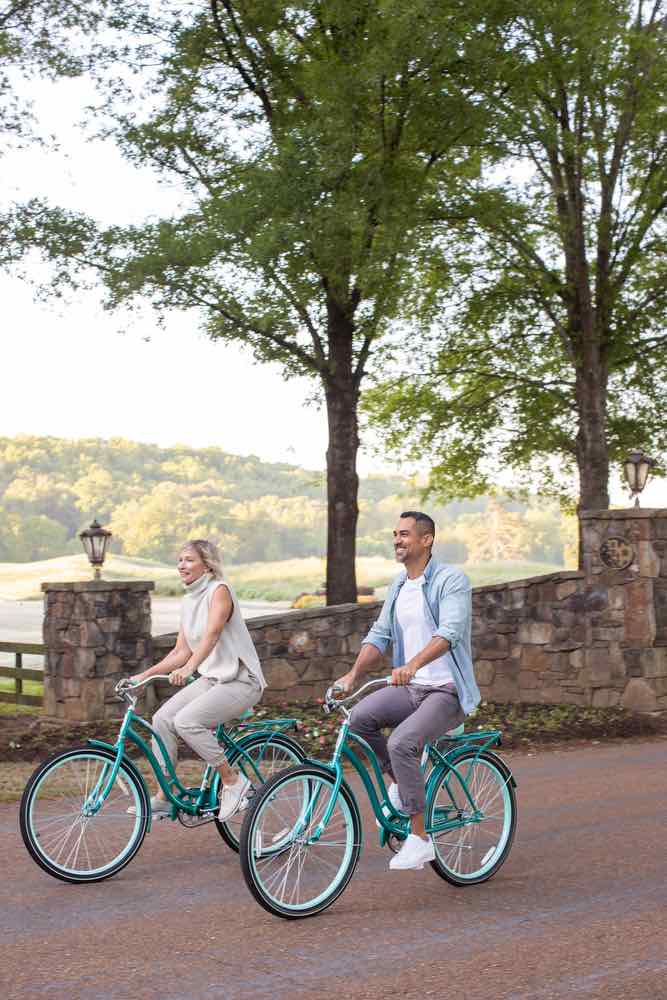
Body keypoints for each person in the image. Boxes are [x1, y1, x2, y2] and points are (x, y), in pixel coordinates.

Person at [335, 511, 480, 871]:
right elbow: (379, 634)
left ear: (426, 539)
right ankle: (400, 782)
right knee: (358, 719)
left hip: (446, 691)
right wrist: (351, 676)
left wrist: (413, 664)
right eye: (395, 534)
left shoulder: (451, 580)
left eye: (404, 534)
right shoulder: (399, 585)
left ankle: (419, 839)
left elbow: (450, 631)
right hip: (413, 688)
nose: (397, 540)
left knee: (402, 742)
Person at [130, 538, 266, 821]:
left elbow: (211, 635)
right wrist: (143, 676)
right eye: (179, 560)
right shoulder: (189, 599)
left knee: (186, 721)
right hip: (213, 678)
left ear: (208, 564)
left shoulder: (219, 591)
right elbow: (181, 650)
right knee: (162, 720)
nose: (182, 565)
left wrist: (190, 667)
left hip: (241, 680)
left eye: (189, 559)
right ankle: (165, 796)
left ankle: (234, 783)